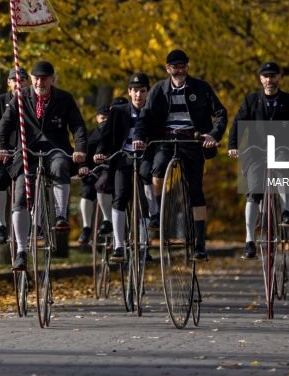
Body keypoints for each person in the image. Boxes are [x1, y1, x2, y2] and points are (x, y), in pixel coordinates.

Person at [133, 50, 228, 261]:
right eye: (175, 67)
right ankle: (157, 213)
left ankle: (200, 245)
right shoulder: (158, 89)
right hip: (165, 140)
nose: (180, 70)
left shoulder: (201, 88)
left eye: (183, 65)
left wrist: (212, 135)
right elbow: (144, 118)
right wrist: (139, 137)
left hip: (192, 141)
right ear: (168, 69)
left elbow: (221, 113)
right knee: (157, 169)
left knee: (195, 190)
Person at [0, 61, 87, 271]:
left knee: (60, 165)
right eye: (36, 78)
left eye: (44, 78)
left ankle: (60, 215)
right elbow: (5, 124)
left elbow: (78, 125)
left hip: (55, 148)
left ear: (52, 79)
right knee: (20, 195)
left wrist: (80, 148)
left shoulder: (64, 98)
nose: (39, 82)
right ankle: (21, 251)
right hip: (28, 152)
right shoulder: (21, 97)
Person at [228, 62, 289, 259]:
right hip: (256, 152)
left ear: (279, 78)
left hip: (282, 150)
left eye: (273, 76)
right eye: (266, 76)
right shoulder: (251, 101)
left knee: (283, 171)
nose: (269, 80)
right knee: (253, 191)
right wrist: (233, 145)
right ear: (260, 79)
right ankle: (249, 240)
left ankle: (286, 212)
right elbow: (238, 123)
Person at [94, 72, 156, 262]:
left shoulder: (153, 110)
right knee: (120, 196)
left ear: (148, 92)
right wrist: (100, 152)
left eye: (142, 91)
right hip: (123, 158)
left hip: (146, 157)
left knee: (145, 199)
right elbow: (105, 136)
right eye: (135, 91)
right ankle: (119, 245)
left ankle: (145, 243)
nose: (138, 95)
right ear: (129, 92)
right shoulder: (119, 111)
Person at [0, 66, 29, 245]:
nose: (19, 84)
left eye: (22, 80)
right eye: (15, 80)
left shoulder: (33, 102)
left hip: (24, 153)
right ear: (9, 82)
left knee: (30, 184)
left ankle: (35, 223)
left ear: (28, 82)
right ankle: (1, 225)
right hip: (2, 153)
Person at [77, 104, 113, 246]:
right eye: (102, 118)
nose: (105, 121)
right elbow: (83, 154)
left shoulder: (116, 133)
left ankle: (107, 220)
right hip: (93, 171)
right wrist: (83, 167)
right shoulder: (90, 135)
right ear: (97, 118)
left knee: (103, 185)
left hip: (109, 170)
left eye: (108, 119)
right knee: (86, 191)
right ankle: (86, 227)